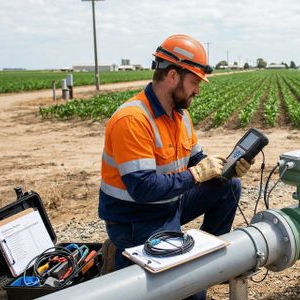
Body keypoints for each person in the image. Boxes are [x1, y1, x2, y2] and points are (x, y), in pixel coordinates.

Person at [98, 34, 254, 299]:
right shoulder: (133, 119)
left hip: (169, 205)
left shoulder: (180, 116)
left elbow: (196, 160)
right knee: (191, 294)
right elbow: (143, 189)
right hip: (136, 218)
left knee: (229, 186)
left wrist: (223, 169)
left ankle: (203, 263)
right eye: (194, 82)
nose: (197, 90)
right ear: (172, 76)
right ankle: (121, 255)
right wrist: (196, 174)